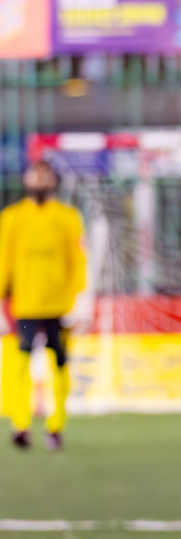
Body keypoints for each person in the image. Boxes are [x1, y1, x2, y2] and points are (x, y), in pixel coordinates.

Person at [0, 159, 86, 451]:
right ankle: (20, 424)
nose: (39, 181)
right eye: (34, 175)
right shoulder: (12, 217)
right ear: (26, 180)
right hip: (22, 306)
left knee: (59, 367)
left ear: (53, 181)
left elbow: (77, 260)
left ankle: (56, 426)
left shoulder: (67, 217)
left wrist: (79, 299)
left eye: (44, 176)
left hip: (59, 306)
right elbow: (3, 261)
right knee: (18, 365)